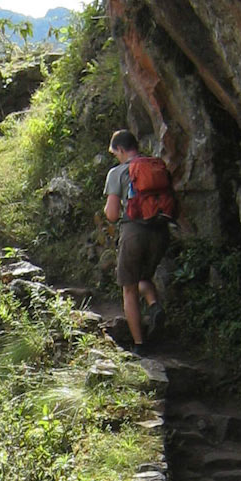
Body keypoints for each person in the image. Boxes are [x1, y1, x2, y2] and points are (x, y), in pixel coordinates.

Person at [103, 128, 178, 353]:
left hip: (134, 231)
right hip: (161, 231)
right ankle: (154, 305)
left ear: (121, 149)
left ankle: (139, 344)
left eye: (115, 152)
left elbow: (112, 214)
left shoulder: (117, 173)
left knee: (129, 288)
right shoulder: (156, 165)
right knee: (143, 276)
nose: (115, 156)